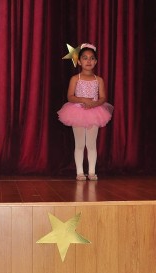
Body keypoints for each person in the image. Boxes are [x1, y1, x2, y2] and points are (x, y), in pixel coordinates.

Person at [58, 43, 113, 181]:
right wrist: (83, 100)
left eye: (92, 58)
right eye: (85, 58)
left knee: (91, 144)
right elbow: (70, 96)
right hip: (77, 112)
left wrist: (94, 103)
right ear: (79, 61)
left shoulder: (98, 80)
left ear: (96, 62)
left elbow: (103, 98)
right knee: (80, 144)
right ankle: (80, 172)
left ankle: (92, 172)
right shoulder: (75, 78)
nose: (89, 61)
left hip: (94, 112)